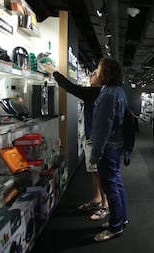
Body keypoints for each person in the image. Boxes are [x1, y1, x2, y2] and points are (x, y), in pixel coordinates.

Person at [43, 64, 109, 221]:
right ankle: (97, 199)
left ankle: (105, 205)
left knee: (99, 172)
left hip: (94, 139)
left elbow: (70, 87)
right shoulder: (96, 92)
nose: (90, 76)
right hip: (90, 136)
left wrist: (55, 72)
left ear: (100, 78)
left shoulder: (95, 92)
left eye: (94, 74)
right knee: (93, 171)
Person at [89, 57, 128, 242]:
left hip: (108, 147)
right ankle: (121, 218)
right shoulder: (117, 90)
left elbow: (103, 127)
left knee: (110, 186)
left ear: (106, 72)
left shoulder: (108, 94)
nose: (95, 72)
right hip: (116, 144)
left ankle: (115, 226)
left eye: (98, 68)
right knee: (116, 183)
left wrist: (95, 153)